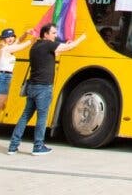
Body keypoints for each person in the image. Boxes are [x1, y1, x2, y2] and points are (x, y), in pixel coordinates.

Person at [7, 23, 86, 156]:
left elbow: (57, 51)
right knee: (42, 118)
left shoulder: (36, 46)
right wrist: (82, 38)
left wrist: (66, 44)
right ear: (45, 34)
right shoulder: (48, 45)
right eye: (54, 33)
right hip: (43, 88)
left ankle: (13, 146)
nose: (55, 36)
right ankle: (38, 146)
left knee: (25, 116)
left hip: (32, 86)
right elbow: (69, 47)